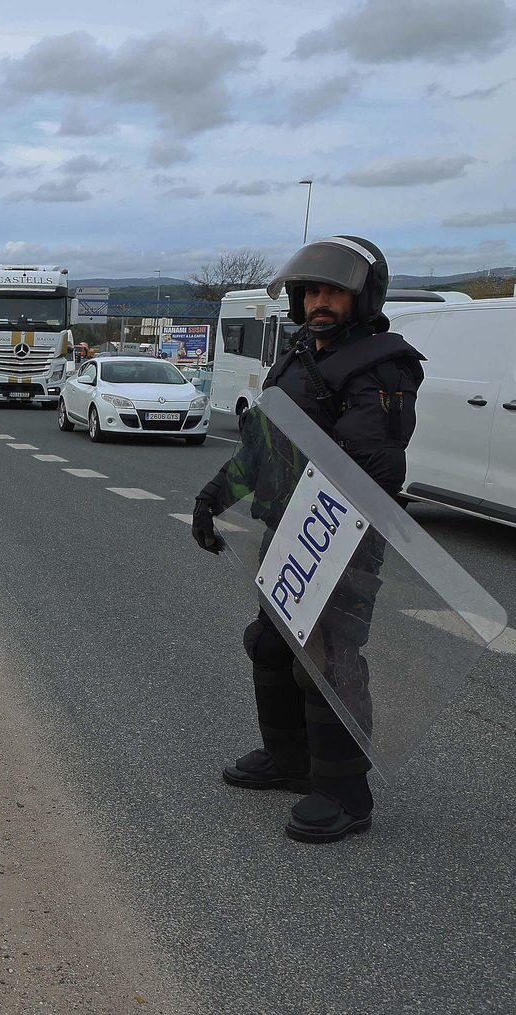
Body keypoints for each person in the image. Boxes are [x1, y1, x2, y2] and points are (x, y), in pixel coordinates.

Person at [192, 235, 424, 845]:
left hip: (338, 535)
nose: (322, 303)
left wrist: (315, 502)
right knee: (269, 646)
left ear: (362, 298)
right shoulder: (297, 355)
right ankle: (291, 761)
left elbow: (374, 461)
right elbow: (261, 445)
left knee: (327, 662)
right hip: (285, 528)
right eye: (312, 292)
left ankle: (346, 792)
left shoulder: (382, 364)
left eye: (335, 293)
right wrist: (213, 497)